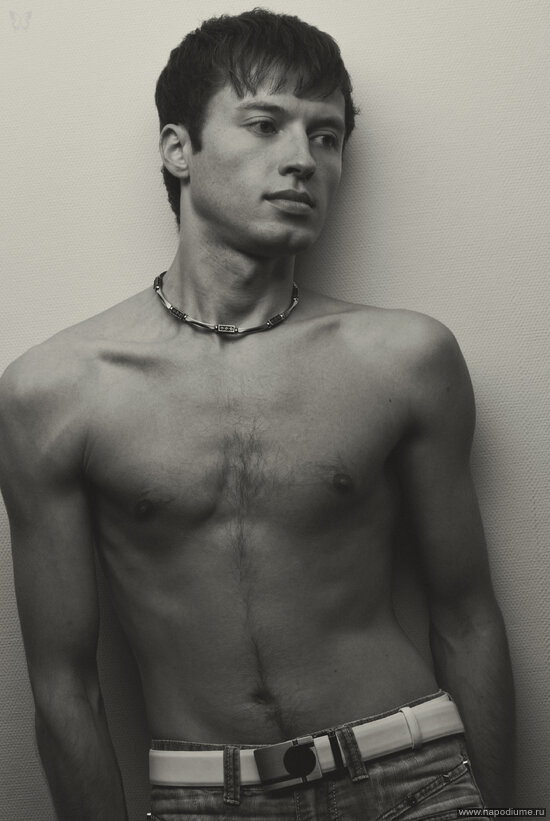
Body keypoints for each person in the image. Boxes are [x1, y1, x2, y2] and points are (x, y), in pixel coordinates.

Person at [0, 9, 515, 821]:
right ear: (179, 149)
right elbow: (64, 688)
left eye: (326, 136)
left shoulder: (406, 359)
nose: (304, 159)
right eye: (266, 124)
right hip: (204, 796)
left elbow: (468, 616)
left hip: (413, 774)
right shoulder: (56, 392)